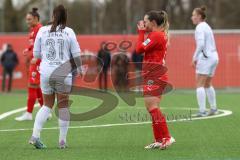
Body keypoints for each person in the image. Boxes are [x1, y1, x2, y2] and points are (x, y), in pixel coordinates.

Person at [29, 4, 81, 149]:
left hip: (45, 72)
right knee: (63, 107)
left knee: (47, 105)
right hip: (63, 73)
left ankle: (35, 136)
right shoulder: (69, 31)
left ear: (52, 16)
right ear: (65, 17)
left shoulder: (42, 30)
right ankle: (62, 142)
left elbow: (36, 54)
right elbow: (76, 55)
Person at [135, 10, 175, 149]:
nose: (143, 24)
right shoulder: (156, 34)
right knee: (151, 108)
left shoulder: (156, 35)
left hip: (155, 75)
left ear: (152, 22)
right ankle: (159, 140)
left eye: (145, 22)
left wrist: (140, 32)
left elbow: (139, 49)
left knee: (152, 108)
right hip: (153, 74)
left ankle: (167, 138)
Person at [15, 8, 45, 121]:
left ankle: (28, 113)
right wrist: (27, 49)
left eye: (29, 19)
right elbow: (34, 45)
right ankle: (45, 111)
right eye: (26, 19)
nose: (27, 21)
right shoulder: (33, 29)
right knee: (36, 87)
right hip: (34, 61)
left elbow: (42, 45)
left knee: (32, 86)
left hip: (37, 62)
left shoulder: (40, 29)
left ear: (36, 18)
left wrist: (36, 57)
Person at [191, 6, 219, 117]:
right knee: (207, 84)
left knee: (199, 84)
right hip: (214, 57)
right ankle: (213, 108)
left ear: (199, 16)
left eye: (193, 15)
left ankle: (202, 111)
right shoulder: (207, 26)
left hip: (206, 58)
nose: (192, 17)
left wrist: (194, 57)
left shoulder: (200, 27)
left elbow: (201, 44)